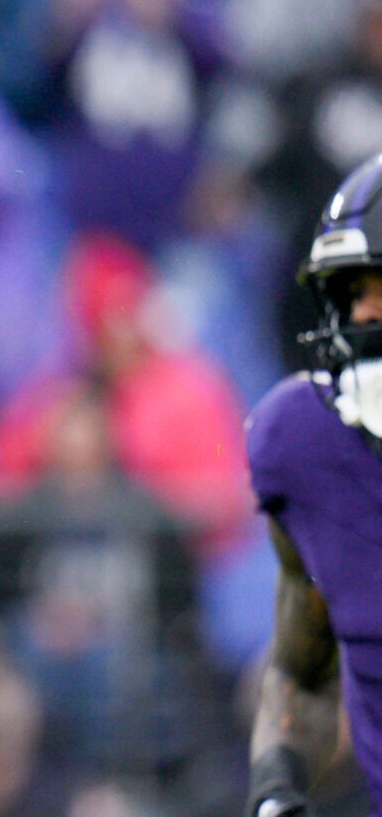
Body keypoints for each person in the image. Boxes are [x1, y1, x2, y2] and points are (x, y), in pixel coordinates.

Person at [244, 152, 382, 817]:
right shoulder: (304, 445)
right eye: (352, 293)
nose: (363, 318)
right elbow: (301, 672)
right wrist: (276, 792)